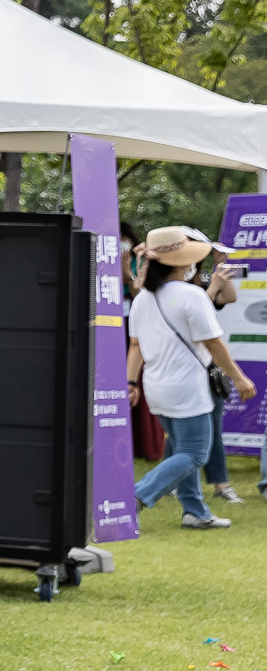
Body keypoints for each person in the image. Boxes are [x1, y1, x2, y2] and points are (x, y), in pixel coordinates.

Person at [126, 225, 255, 528]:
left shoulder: (143, 297)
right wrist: (239, 378)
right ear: (182, 262)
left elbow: (136, 346)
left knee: (183, 448)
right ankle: (134, 497)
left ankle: (195, 511)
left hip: (156, 387)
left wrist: (130, 383)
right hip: (188, 387)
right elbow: (213, 342)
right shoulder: (192, 295)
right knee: (195, 454)